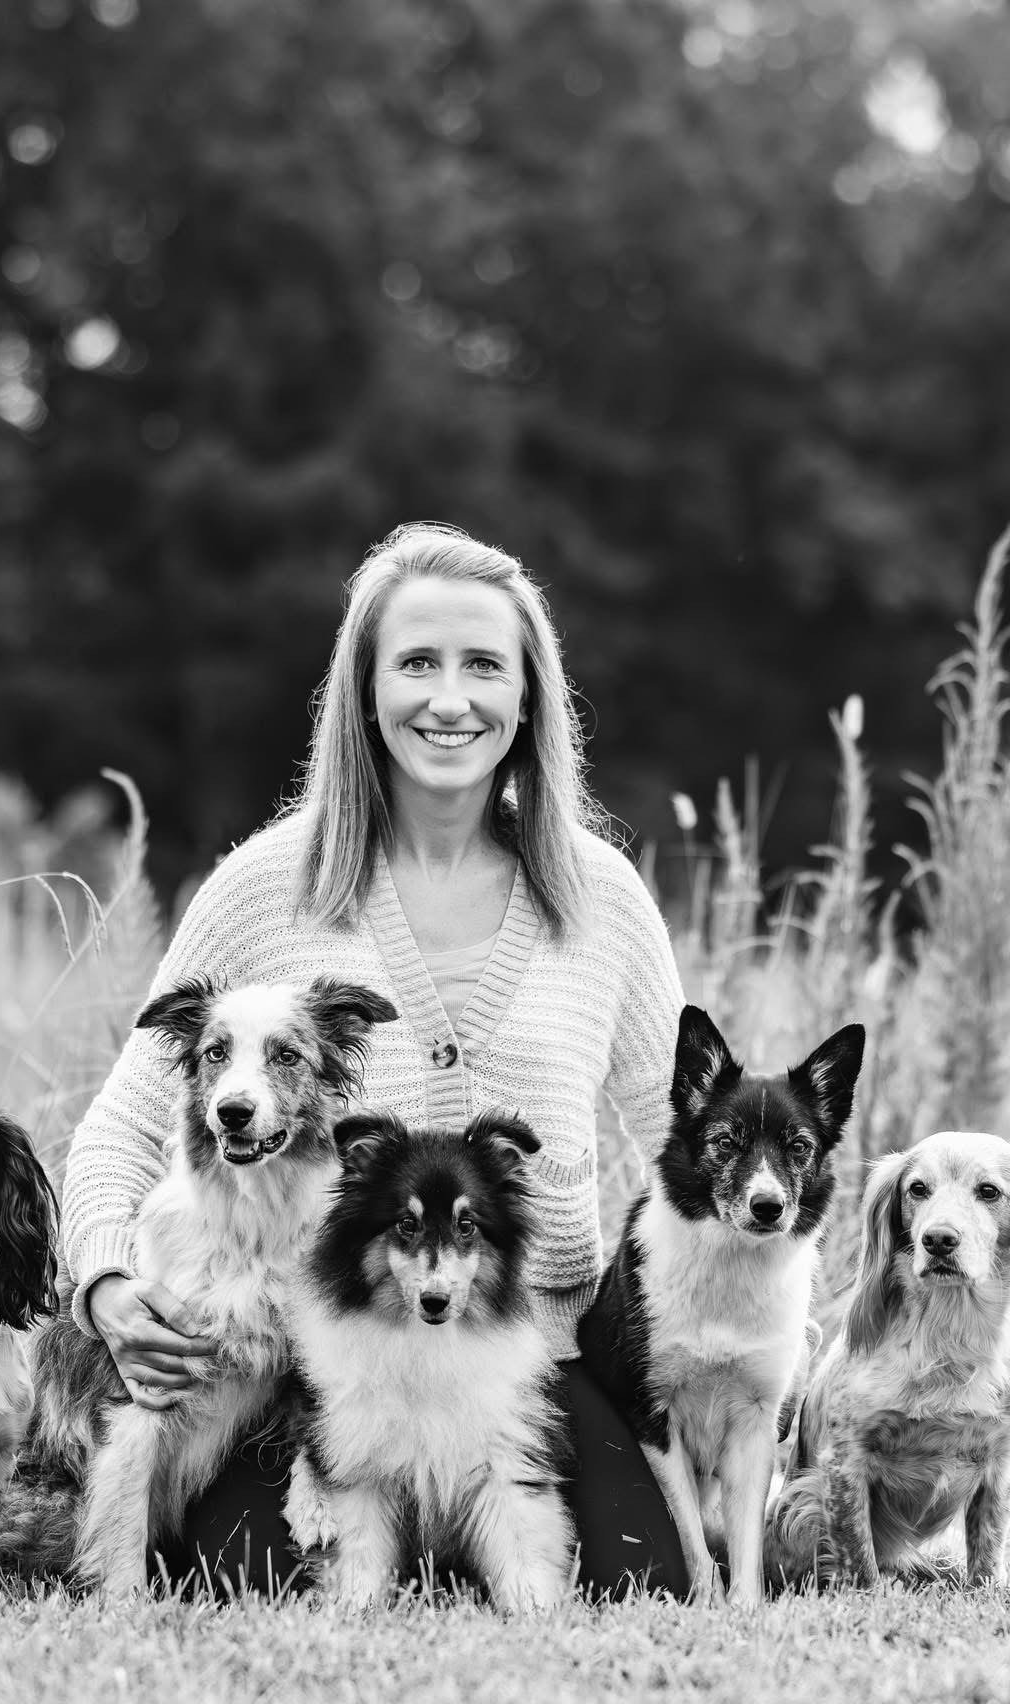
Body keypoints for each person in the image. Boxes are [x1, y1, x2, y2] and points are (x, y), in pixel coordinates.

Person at [60, 521, 689, 1597]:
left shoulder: (601, 898)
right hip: (324, 1371)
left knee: (643, 1579)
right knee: (253, 1579)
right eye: (417, 664)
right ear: (363, 692)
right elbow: (121, 1125)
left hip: (524, 1353)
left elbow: (691, 1140)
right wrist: (109, 1288)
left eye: (485, 664)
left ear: (532, 696)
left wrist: (749, 1335)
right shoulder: (268, 887)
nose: (451, 699)